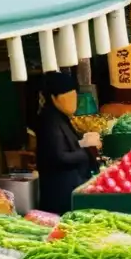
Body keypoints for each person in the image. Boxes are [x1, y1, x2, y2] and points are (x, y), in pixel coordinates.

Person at [35, 72, 97, 215]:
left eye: (74, 96)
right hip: (60, 192)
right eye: (67, 97)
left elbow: (65, 145)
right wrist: (86, 152)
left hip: (70, 186)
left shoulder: (60, 117)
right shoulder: (49, 121)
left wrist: (83, 143)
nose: (72, 102)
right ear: (53, 98)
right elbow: (59, 156)